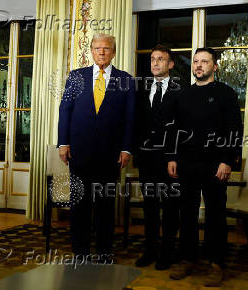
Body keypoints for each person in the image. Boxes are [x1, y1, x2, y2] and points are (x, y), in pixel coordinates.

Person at [166, 48, 243, 286]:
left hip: (216, 165)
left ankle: (216, 264)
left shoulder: (226, 93)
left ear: (215, 66)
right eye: (196, 61)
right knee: (187, 214)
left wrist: (228, 161)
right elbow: (174, 129)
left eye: (204, 61)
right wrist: (172, 157)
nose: (199, 65)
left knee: (215, 216)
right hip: (187, 164)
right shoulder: (183, 95)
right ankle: (188, 259)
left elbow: (235, 131)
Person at [58, 33, 135, 262]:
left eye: (107, 48)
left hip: (110, 156)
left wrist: (126, 148)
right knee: (79, 206)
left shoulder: (126, 80)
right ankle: (80, 252)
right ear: (91, 51)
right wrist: (63, 143)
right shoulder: (76, 77)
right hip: (79, 153)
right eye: (97, 48)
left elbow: (131, 118)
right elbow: (65, 111)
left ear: (114, 52)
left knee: (105, 207)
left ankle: (104, 252)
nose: (101, 52)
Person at [134, 44, 181, 270]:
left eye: (161, 59)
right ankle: (150, 251)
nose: (155, 63)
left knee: (170, 208)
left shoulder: (181, 90)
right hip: (146, 159)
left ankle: (168, 253)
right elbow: (136, 123)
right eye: (153, 59)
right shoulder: (142, 89)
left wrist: (174, 156)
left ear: (170, 64)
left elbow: (183, 127)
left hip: (170, 160)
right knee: (150, 207)